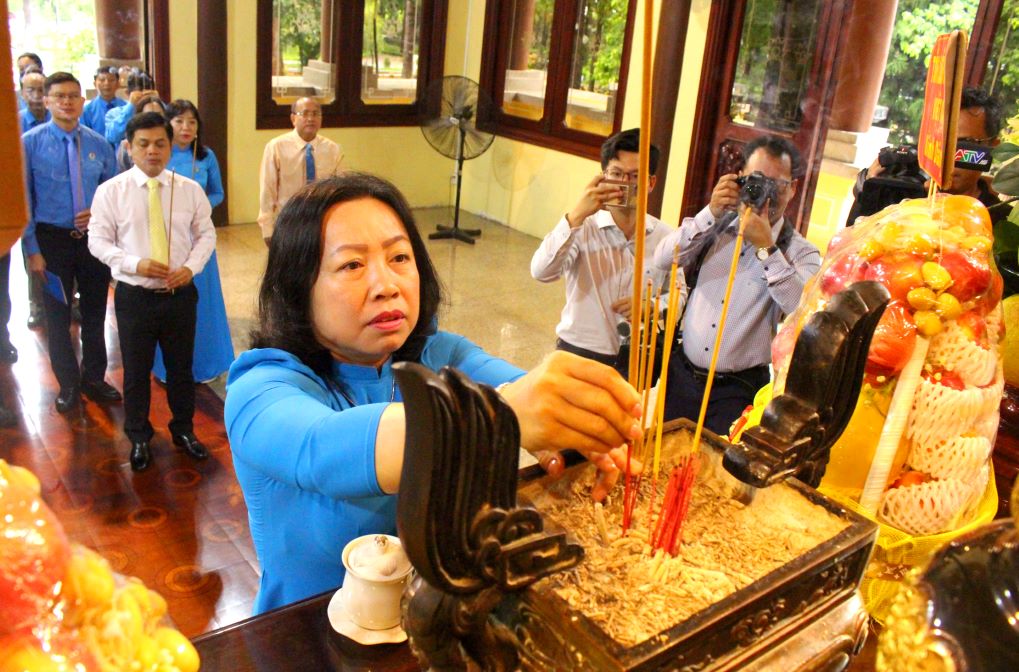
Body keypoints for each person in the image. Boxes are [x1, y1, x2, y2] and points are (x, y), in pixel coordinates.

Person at [225, 173, 644, 613]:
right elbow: (321, 448)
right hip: (310, 633)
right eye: (352, 265)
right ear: (297, 287)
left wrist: (572, 416)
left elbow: (520, 387)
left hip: (437, 620)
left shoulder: (437, 353)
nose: (387, 285)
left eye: (399, 257)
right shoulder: (260, 388)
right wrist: (503, 415)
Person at [653, 135, 821, 435]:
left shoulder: (800, 251)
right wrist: (711, 211)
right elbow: (663, 257)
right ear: (740, 177)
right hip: (681, 375)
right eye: (757, 180)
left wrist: (767, 248)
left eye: (778, 184)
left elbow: (803, 310)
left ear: (793, 189)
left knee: (716, 472)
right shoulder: (715, 225)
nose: (766, 193)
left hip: (738, 389)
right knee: (663, 457)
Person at [88, 112, 216, 472]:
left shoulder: (188, 189)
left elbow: (206, 233)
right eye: (143, 144)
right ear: (129, 148)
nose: (152, 151)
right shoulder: (110, 192)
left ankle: (184, 430)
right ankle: (139, 436)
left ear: (171, 144)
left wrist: (191, 268)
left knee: (180, 370)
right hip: (135, 297)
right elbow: (97, 241)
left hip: (179, 296)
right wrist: (133, 263)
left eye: (160, 143)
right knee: (136, 370)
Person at [531, 128, 682, 377]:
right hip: (578, 353)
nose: (624, 184)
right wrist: (576, 215)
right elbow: (541, 271)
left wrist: (653, 307)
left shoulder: (666, 236)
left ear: (651, 183)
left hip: (635, 358)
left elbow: (679, 294)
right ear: (603, 177)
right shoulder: (581, 226)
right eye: (617, 174)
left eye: (635, 176)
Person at [21, 72, 120, 413]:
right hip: (51, 244)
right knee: (58, 316)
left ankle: (94, 378)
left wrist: (97, 212)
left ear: (82, 101)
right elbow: (25, 202)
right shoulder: (30, 144)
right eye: (59, 96)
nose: (67, 102)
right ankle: (68, 384)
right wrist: (32, 250)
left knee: (95, 314)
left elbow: (112, 195)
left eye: (73, 96)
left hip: (93, 242)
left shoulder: (98, 143)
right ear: (46, 101)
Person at [152, 100, 233, 383]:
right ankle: (168, 367)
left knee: (203, 303)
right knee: (171, 305)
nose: (186, 128)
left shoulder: (206, 156)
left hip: (199, 238)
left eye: (192, 122)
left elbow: (218, 193)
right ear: (168, 124)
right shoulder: (160, 155)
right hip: (168, 238)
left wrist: (198, 208)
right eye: (179, 121)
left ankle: (206, 365)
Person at [847, 87, 1005, 226]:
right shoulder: (897, 193)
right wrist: (869, 187)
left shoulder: (999, 220)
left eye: (964, 143)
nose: (947, 155)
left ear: (992, 147)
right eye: (938, 141)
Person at [257, 97, 342, 244]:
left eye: (316, 114)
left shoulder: (332, 149)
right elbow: (267, 190)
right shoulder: (276, 147)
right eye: (305, 113)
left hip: (321, 220)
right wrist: (267, 229)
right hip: (289, 220)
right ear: (293, 118)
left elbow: (339, 189)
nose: (310, 119)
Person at [104, 71, 159, 147]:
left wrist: (158, 103)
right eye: (139, 95)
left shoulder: (160, 109)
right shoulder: (114, 113)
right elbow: (112, 137)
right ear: (127, 93)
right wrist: (131, 106)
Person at [115, 95, 165, 172]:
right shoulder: (126, 146)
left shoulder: (171, 142)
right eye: (148, 115)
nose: (154, 119)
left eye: (158, 115)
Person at [81, 66, 125, 138]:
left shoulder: (125, 108)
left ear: (118, 84)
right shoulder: (87, 110)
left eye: (111, 80)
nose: (107, 83)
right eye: (102, 80)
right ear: (95, 84)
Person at [18, 67, 50, 133]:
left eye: (41, 90)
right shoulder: (15, 121)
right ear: (22, 94)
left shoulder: (59, 118)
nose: (36, 96)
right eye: (30, 90)